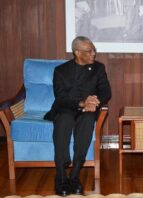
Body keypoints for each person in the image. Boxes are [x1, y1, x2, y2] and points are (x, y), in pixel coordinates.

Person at [44, 36, 111, 196]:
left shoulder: (98, 68)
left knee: (88, 121)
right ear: (77, 52)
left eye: (94, 50)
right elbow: (60, 97)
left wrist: (94, 103)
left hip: (87, 110)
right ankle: (60, 177)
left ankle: (74, 176)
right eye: (89, 51)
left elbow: (106, 91)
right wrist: (82, 103)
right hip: (66, 108)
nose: (93, 54)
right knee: (64, 121)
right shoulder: (61, 70)